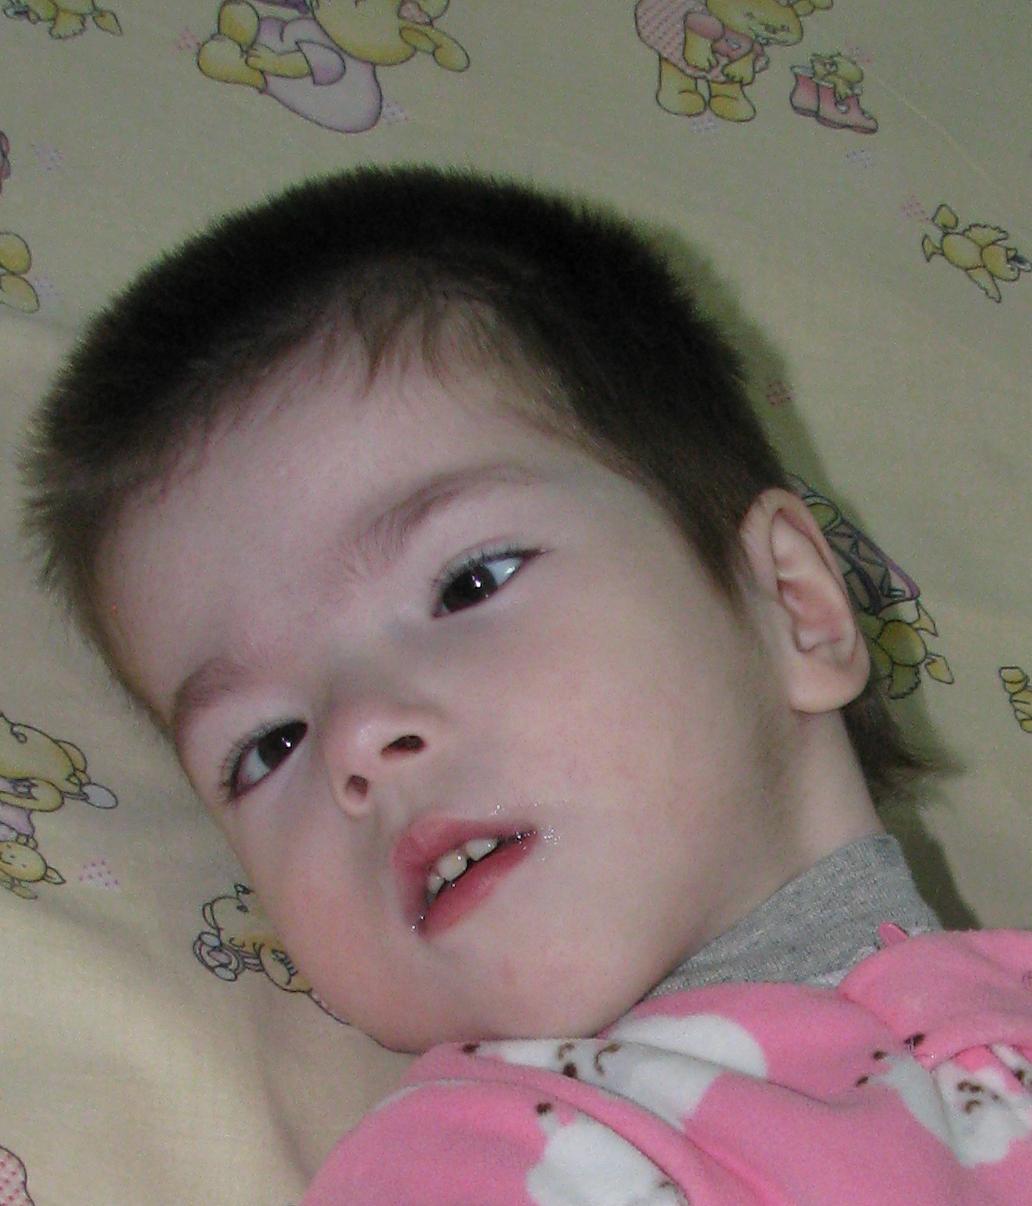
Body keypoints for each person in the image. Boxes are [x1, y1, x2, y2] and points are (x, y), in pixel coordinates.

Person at [21, 166, 1032, 1203]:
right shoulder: (473, 1162)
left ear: (794, 605)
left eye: (468, 584)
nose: (357, 736)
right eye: (267, 745)